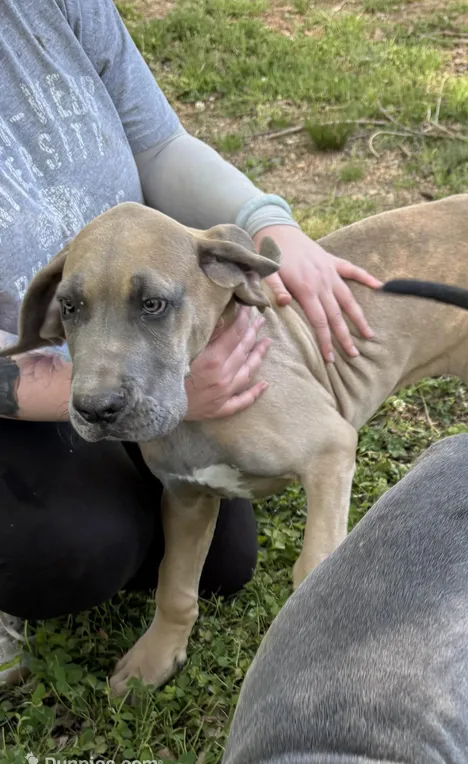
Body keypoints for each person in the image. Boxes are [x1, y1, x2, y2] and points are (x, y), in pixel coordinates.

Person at [0, 0, 382, 686]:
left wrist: (271, 226)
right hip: (32, 382)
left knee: (225, 559)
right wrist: (95, 389)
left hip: (109, 340)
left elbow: (157, 144)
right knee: (74, 550)